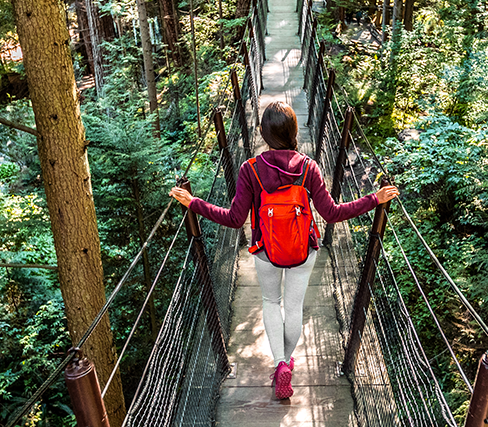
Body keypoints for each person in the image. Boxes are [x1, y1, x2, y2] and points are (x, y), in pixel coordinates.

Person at [169, 101, 399, 400]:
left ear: (263, 133)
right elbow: (331, 213)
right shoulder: (308, 167)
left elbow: (234, 219)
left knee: (270, 301)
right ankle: (286, 364)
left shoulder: (249, 169)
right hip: (303, 249)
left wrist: (193, 203)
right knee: (293, 308)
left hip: (266, 250)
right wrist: (373, 199)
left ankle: (279, 362)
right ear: (295, 131)